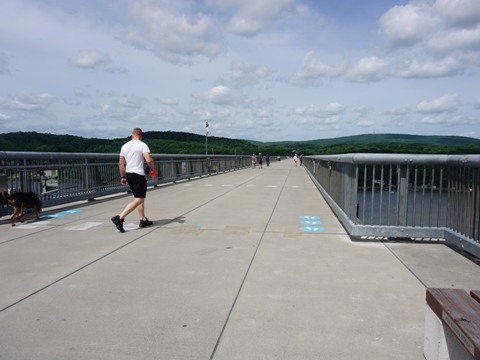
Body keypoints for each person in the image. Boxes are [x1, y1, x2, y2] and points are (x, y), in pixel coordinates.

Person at [111, 128, 155, 233]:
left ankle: (143, 220)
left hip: (129, 174)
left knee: (138, 198)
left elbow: (121, 164)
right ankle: (120, 218)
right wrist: (152, 169)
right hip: (138, 174)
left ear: (132, 135)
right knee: (139, 199)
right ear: (141, 136)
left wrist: (123, 177)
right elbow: (148, 160)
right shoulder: (142, 145)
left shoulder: (124, 146)